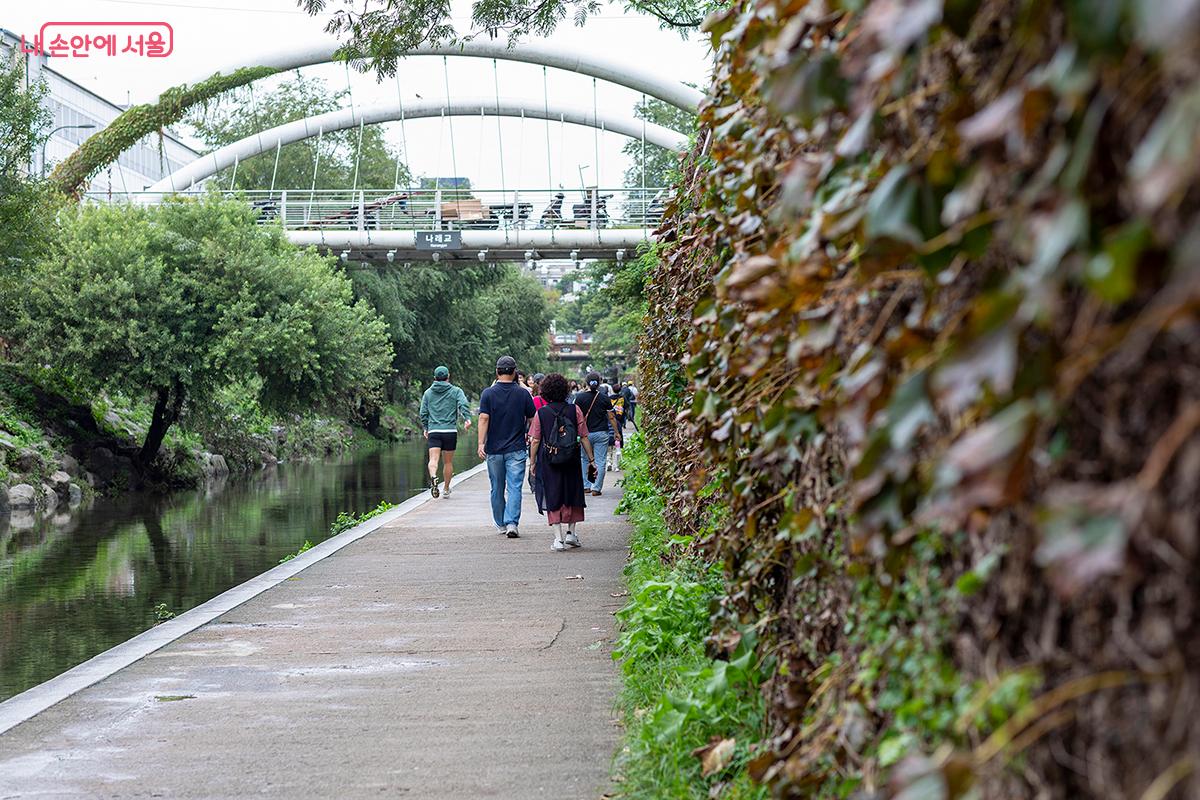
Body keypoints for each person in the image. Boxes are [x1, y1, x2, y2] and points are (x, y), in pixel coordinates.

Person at [528, 373, 597, 551]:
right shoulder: (575, 410)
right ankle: (571, 534)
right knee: (572, 492)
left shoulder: (541, 413)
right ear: (565, 390)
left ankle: (558, 539)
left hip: (549, 459)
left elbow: (535, 440)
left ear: (545, 391)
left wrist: (533, 462)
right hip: (571, 457)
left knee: (553, 493)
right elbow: (584, 436)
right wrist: (591, 460)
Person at [478, 355, 537, 537]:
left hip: (494, 449)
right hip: (517, 449)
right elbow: (533, 418)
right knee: (514, 487)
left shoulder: (488, 393)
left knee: (496, 487)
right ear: (514, 373)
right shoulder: (523, 394)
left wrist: (481, 443)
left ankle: (501, 524)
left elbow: (483, 418)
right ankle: (512, 523)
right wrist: (529, 434)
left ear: (497, 372)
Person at [419, 365, 471, 499]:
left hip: (434, 430)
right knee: (448, 462)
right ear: (448, 377)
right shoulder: (456, 391)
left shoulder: (428, 393)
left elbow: (423, 412)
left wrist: (426, 427)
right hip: (449, 431)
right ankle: (446, 489)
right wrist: (467, 418)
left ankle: (434, 477)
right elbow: (463, 404)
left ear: (435, 378)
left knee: (433, 460)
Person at [574, 372, 621, 496]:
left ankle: (586, 486)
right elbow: (611, 417)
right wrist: (616, 432)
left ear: (586, 383)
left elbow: (575, 417)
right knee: (600, 461)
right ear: (599, 382)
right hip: (601, 433)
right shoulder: (605, 398)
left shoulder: (579, 398)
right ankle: (596, 488)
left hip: (585, 435)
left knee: (584, 459)